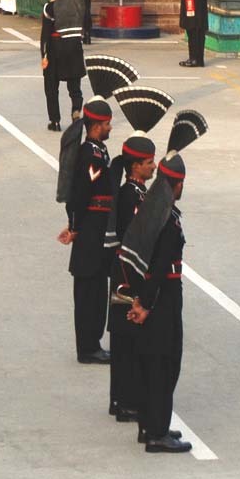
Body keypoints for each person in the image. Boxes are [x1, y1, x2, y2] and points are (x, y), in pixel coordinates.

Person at [122, 151, 191, 453]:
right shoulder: (168, 219)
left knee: (150, 363)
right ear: (177, 186)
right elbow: (161, 266)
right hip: (164, 300)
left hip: (150, 297)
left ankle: (149, 425)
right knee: (165, 363)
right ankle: (157, 433)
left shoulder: (150, 210)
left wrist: (137, 298)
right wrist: (146, 304)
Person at [56, 98, 114, 364]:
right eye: (106, 124)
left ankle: (92, 343)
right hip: (91, 229)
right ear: (95, 127)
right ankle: (88, 347)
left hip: (93, 227)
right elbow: (81, 194)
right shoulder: (91, 154)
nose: (110, 127)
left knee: (96, 289)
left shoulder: (98, 150)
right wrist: (76, 226)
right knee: (90, 291)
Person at [105, 134, 156, 423]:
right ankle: (125, 402)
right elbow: (131, 242)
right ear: (135, 167)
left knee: (128, 342)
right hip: (128, 277)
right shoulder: (130, 197)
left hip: (128, 275)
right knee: (127, 342)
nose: (154, 167)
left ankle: (120, 399)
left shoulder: (137, 193)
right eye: (149, 163)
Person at [40, 0, 85, 132]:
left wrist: (44, 56)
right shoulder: (78, 6)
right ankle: (76, 111)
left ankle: (55, 121)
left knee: (51, 87)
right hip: (74, 47)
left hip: (55, 47)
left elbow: (45, 35)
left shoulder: (51, 8)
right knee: (75, 87)